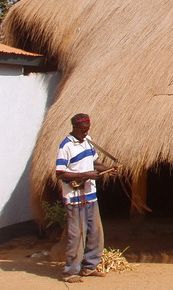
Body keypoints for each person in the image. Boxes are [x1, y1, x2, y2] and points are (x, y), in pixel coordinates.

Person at [56, 113, 117, 283]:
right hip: (75, 197)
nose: (85, 133)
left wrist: (107, 169)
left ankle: (89, 267)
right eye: (83, 130)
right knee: (77, 235)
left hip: (90, 196)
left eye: (87, 130)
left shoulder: (88, 141)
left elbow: (94, 163)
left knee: (95, 232)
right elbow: (60, 173)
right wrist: (85, 175)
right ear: (75, 128)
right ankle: (70, 272)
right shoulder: (66, 146)